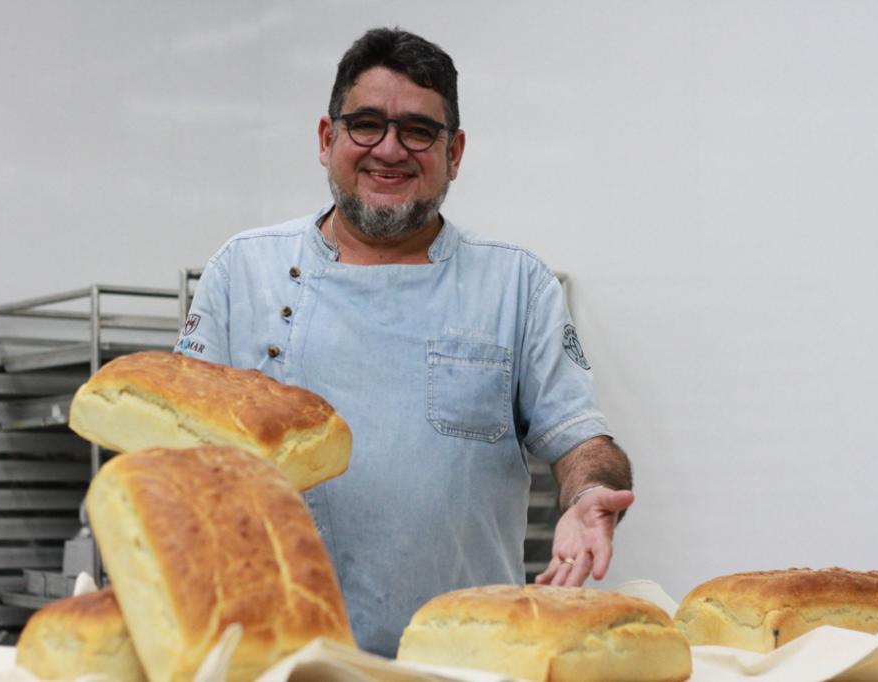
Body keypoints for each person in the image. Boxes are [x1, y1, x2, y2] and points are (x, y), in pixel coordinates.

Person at [175, 26, 634, 657]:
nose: (389, 149)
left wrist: (588, 495)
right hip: (276, 656)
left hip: (467, 659)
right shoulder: (242, 271)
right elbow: (178, 455)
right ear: (325, 137)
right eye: (365, 124)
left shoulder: (515, 284)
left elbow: (584, 440)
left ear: (456, 152)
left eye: (419, 131)